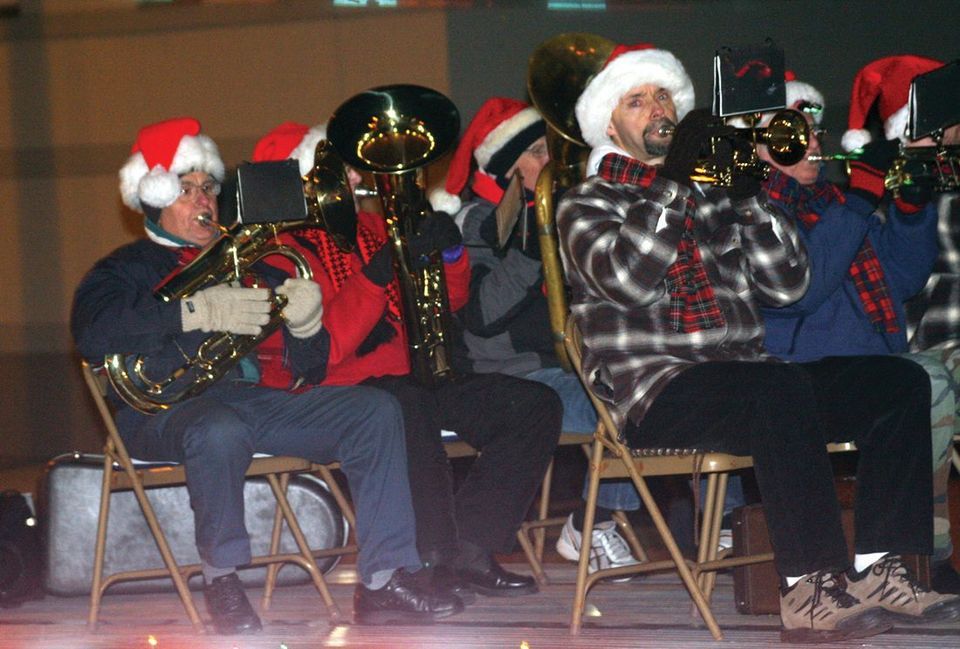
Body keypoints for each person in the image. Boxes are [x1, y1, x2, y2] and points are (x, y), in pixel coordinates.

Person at [556, 43, 960, 643]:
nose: (657, 108)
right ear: (609, 125)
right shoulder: (586, 202)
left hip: (751, 379)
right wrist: (672, 188)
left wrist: (748, 196)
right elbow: (629, 279)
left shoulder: (714, 196)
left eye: (663, 95)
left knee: (898, 380)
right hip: (656, 389)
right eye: (636, 101)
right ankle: (810, 587)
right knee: (777, 386)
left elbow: (787, 283)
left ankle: (882, 568)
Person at [71, 117, 462, 633]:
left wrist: (305, 324)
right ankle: (223, 579)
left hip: (245, 399)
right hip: (156, 410)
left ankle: (384, 579)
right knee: (218, 428)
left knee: (374, 410)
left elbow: (311, 368)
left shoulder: (248, 263)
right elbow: (94, 331)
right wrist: (192, 312)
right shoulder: (122, 268)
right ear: (154, 197)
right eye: (186, 191)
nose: (203, 202)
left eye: (208, 189)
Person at [251, 121, 563, 603]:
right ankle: (430, 559)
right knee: (406, 406)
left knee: (533, 405)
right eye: (338, 173)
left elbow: (451, 303)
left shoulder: (376, 229)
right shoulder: (281, 252)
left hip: (411, 376)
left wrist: (452, 252)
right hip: (339, 390)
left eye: (352, 172)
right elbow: (324, 351)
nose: (355, 181)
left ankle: (472, 548)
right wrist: (377, 276)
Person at [756, 67, 960, 594]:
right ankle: (924, 559)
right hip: (795, 377)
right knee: (923, 379)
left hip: (864, 367)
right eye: (792, 134)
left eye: (814, 132)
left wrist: (911, 211)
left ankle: (883, 564)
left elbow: (904, 278)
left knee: (912, 380)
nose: (813, 145)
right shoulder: (757, 209)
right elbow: (804, 289)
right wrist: (862, 199)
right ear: (757, 146)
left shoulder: (831, 203)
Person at [429, 97, 642, 576]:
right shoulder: (474, 224)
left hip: (562, 368)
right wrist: (530, 252)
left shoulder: (553, 213)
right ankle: (593, 525)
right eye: (540, 154)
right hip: (511, 379)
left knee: (654, 387)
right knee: (623, 404)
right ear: (508, 167)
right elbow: (480, 316)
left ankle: (728, 520)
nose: (552, 164)